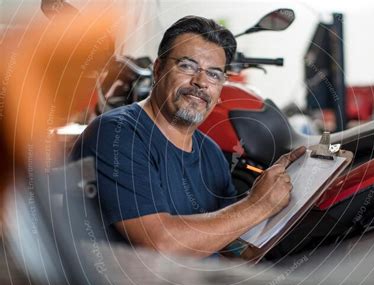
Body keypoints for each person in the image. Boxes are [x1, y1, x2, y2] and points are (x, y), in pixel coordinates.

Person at [70, 16, 305, 257]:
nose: (201, 82)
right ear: (158, 69)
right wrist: (258, 205)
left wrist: (293, 200)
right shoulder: (115, 134)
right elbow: (160, 244)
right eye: (187, 66)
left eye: (214, 74)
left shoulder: (211, 152)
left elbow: (230, 244)